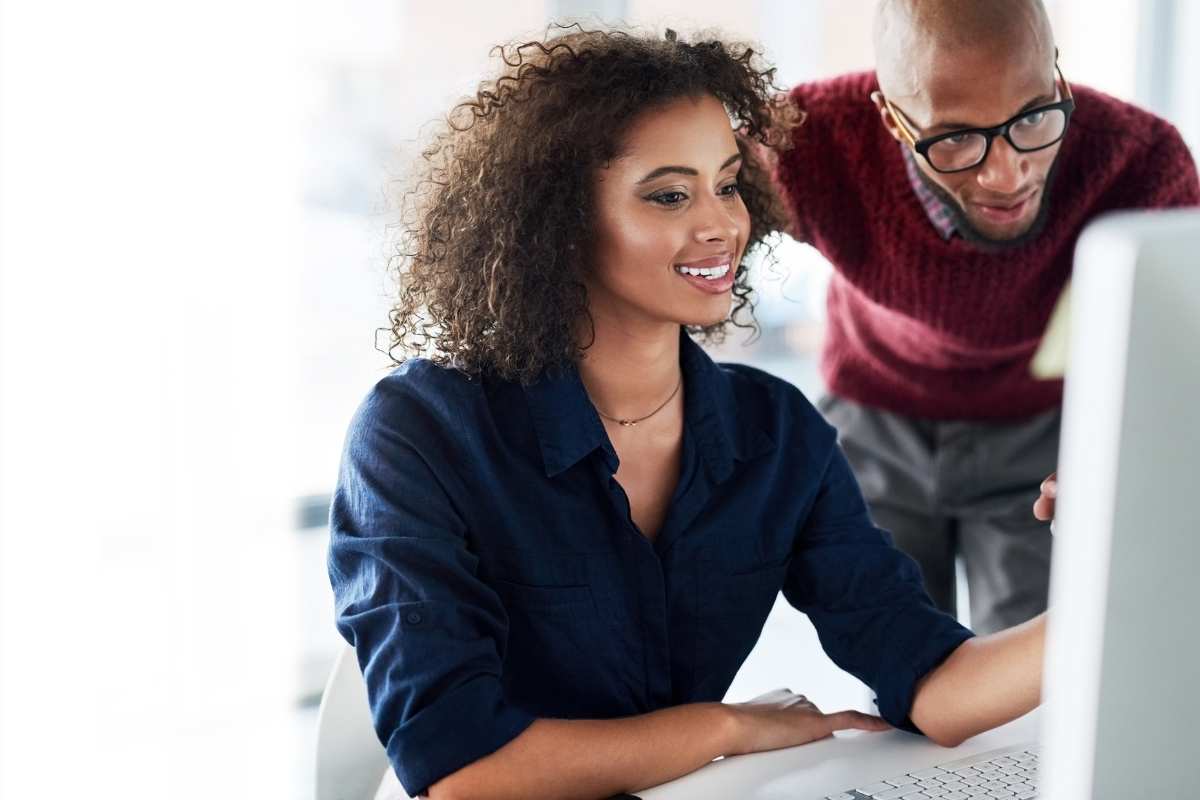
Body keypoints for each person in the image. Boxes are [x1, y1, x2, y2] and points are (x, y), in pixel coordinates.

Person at [329, 28, 1044, 800]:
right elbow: (461, 772)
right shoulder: (420, 431)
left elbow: (933, 684)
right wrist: (724, 728)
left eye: (729, 185)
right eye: (670, 194)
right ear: (556, 223)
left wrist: (1123, 575)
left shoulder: (773, 433)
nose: (722, 226)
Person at [746, 0, 1200, 634]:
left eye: (1034, 117)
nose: (1007, 173)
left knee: (1028, 680)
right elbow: (679, 210)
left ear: (1058, 78)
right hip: (876, 421)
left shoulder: (1141, 162)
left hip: (1036, 431)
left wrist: (1120, 446)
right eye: (955, 137)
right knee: (900, 666)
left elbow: (1175, 339)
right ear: (892, 118)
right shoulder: (811, 142)